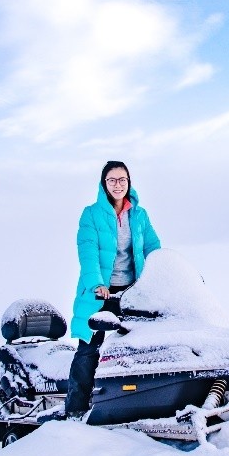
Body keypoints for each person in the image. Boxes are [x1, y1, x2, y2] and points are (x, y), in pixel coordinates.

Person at [64, 160, 161, 418]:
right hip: (101, 293)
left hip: (132, 292)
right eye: (112, 180)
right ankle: (75, 409)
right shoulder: (91, 214)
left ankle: (132, 403)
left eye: (122, 180)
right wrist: (98, 284)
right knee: (89, 348)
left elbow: (153, 248)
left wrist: (161, 273)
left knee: (141, 347)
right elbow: (88, 251)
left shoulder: (139, 215)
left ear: (129, 182)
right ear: (103, 184)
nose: (117, 185)